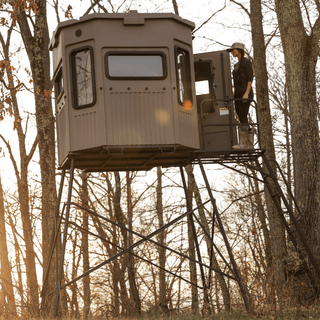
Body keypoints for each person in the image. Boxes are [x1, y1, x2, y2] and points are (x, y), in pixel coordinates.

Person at [227, 42, 254, 149]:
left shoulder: (247, 62)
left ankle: (243, 144)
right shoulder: (236, 65)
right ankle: (249, 144)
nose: (232, 52)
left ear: (239, 50)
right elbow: (236, 81)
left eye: (234, 50)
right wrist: (234, 93)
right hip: (237, 94)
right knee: (241, 116)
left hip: (245, 93)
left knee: (243, 115)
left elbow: (250, 78)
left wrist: (246, 93)